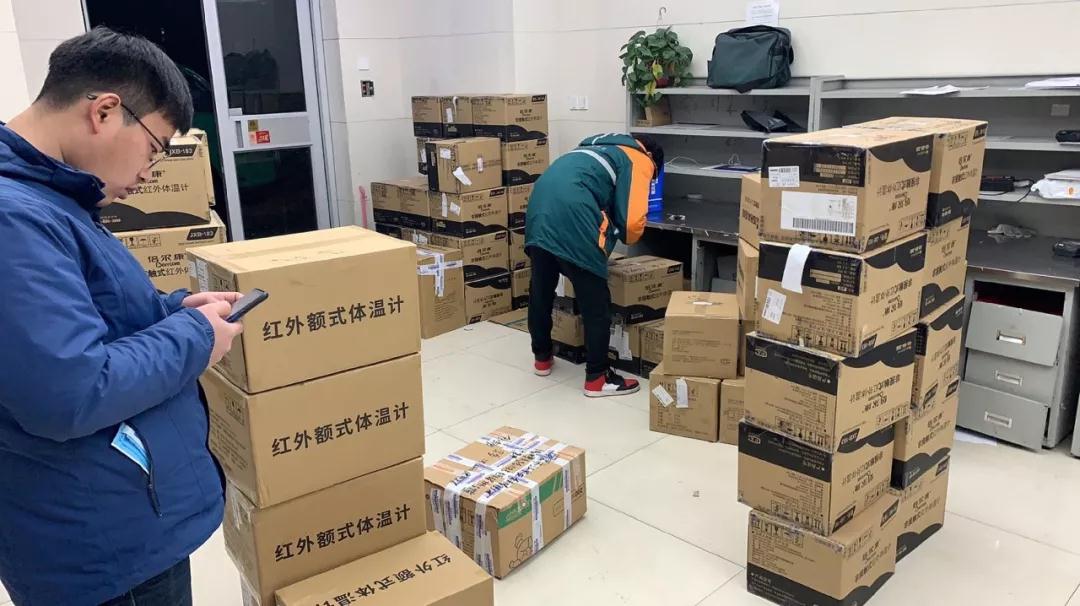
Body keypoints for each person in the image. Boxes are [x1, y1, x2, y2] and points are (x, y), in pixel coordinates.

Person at [0, 28, 244, 605]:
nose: (151, 171)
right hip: (102, 550)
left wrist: (172, 310)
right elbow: (71, 392)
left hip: (112, 518)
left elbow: (92, 321)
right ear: (105, 111)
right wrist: (193, 336)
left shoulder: (53, 199)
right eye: (155, 147)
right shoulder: (16, 218)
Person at [525, 133, 663, 397]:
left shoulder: (594, 147)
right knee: (596, 304)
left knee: (541, 291)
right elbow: (632, 226)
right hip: (573, 217)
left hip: (538, 211)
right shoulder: (640, 159)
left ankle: (542, 358)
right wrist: (614, 232)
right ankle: (598, 379)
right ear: (652, 159)